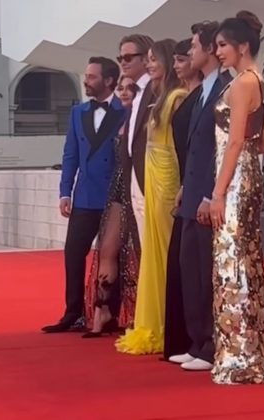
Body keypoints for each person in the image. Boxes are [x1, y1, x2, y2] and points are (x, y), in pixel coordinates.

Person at [210, 11, 264, 384]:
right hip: (253, 177)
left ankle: (240, 358)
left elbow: (236, 140)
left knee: (232, 264)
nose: (217, 51)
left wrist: (218, 193)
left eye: (222, 45)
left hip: (236, 180)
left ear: (242, 46)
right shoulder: (261, 81)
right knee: (250, 262)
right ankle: (258, 352)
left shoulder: (241, 84)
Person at [42, 57, 126, 334]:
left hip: (114, 197)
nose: (86, 81)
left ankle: (110, 312)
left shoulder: (126, 110)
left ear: (109, 80)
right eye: (86, 76)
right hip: (85, 196)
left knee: (113, 256)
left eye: (91, 77)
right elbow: (70, 155)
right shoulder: (78, 113)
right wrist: (64, 191)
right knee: (73, 252)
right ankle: (73, 312)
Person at [116, 39, 187, 354]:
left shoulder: (177, 97)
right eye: (147, 59)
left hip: (167, 182)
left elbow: (181, 147)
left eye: (153, 59)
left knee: (166, 254)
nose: (149, 64)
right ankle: (156, 321)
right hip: (149, 180)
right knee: (152, 254)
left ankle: (170, 323)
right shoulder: (156, 98)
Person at [168, 21, 223, 372]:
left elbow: (223, 149)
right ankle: (196, 340)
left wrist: (207, 193)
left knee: (206, 273)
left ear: (210, 50)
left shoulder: (226, 88)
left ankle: (210, 345)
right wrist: (187, 187)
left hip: (209, 197)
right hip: (191, 194)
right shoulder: (202, 90)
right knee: (189, 269)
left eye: (193, 46)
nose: (190, 52)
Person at [84, 76, 139, 337]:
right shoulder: (119, 118)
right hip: (118, 187)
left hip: (138, 186)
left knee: (139, 252)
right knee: (107, 249)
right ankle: (102, 309)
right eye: (121, 88)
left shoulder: (143, 117)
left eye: (131, 88)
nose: (125, 92)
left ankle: (145, 311)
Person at [163, 38, 203, 360]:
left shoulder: (205, 95)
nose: (180, 63)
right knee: (183, 265)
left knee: (193, 265)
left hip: (196, 187)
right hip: (183, 184)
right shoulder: (184, 96)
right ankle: (188, 339)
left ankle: (198, 340)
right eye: (177, 58)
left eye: (185, 56)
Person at [118, 34, 154, 245]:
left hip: (150, 176)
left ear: (145, 58)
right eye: (121, 57)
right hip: (134, 175)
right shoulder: (138, 92)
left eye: (129, 57)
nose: (123, 61)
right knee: (141, 243)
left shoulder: (155, 90)